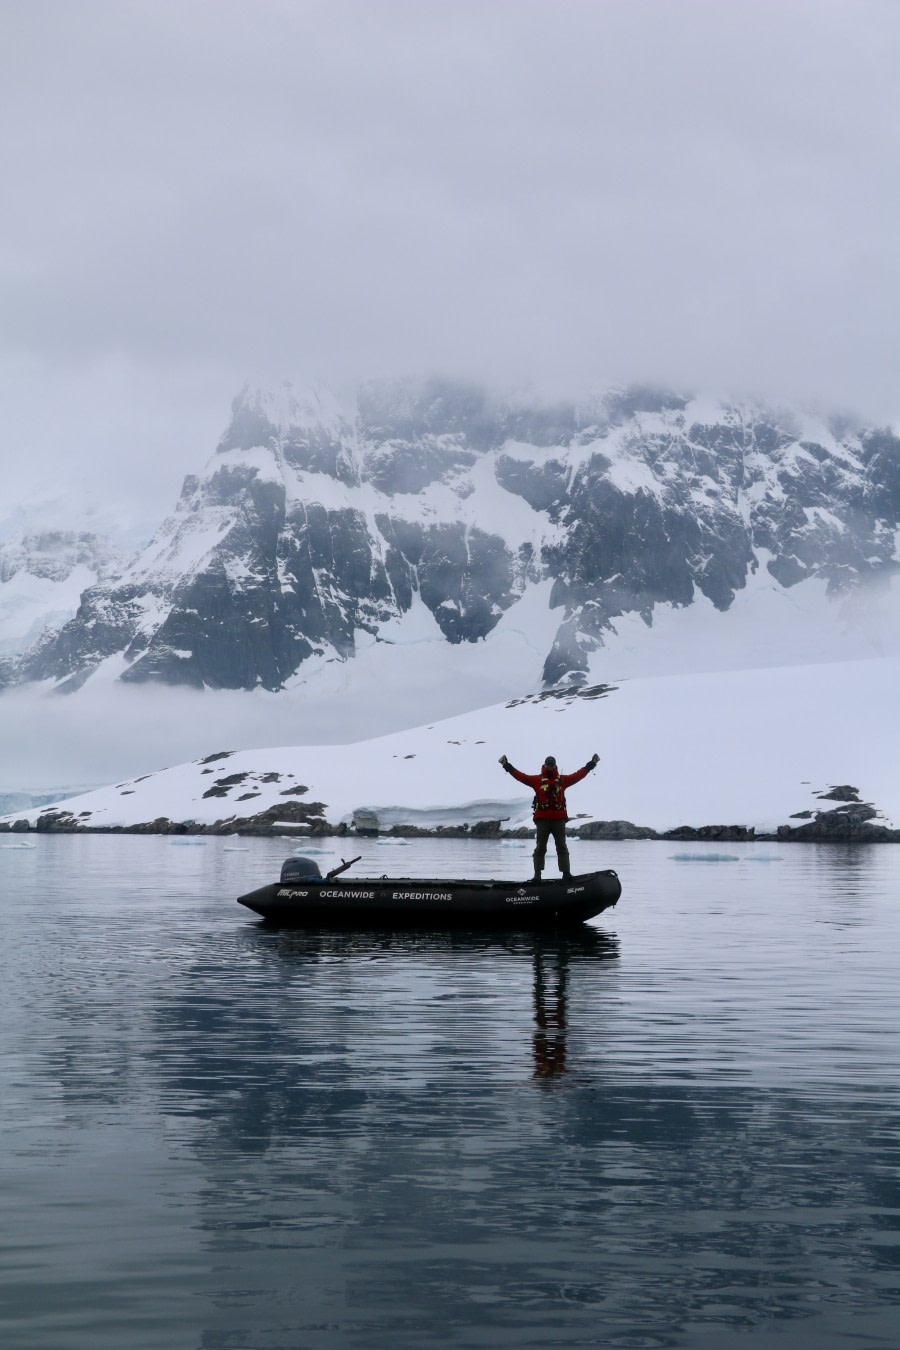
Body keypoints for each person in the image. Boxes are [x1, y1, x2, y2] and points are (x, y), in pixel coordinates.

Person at [499, 752, 600, 883]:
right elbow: (521, 777)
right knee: (540, 847)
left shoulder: (563, 780)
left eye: (552, 765)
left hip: (558, 819)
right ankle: (537, 876)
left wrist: (592, 764)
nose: (550, 767)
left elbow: (578, 775)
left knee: (562, 847)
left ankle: (566, 874)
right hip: (543, 820)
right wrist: (506, 765)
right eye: (548, 764)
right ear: (545, 765)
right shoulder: (536, 780)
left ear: (555, 765)